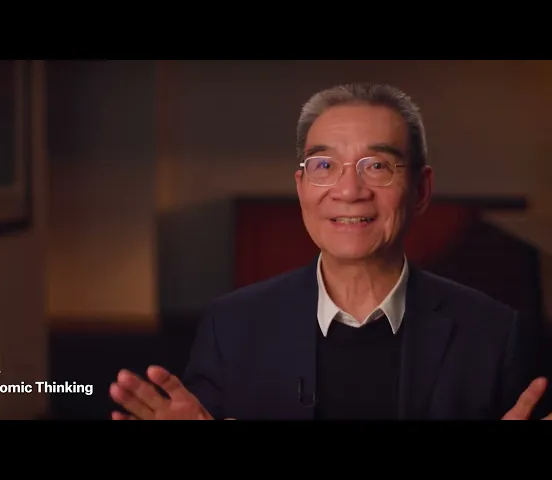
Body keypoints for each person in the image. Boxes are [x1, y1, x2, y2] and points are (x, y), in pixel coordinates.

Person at [109, 82, 551, 420]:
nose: (349, 191)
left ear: (420, 189)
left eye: (377, 166)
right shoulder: (232, 326)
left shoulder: (493, 333)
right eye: (324, 165)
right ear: (301, 187)